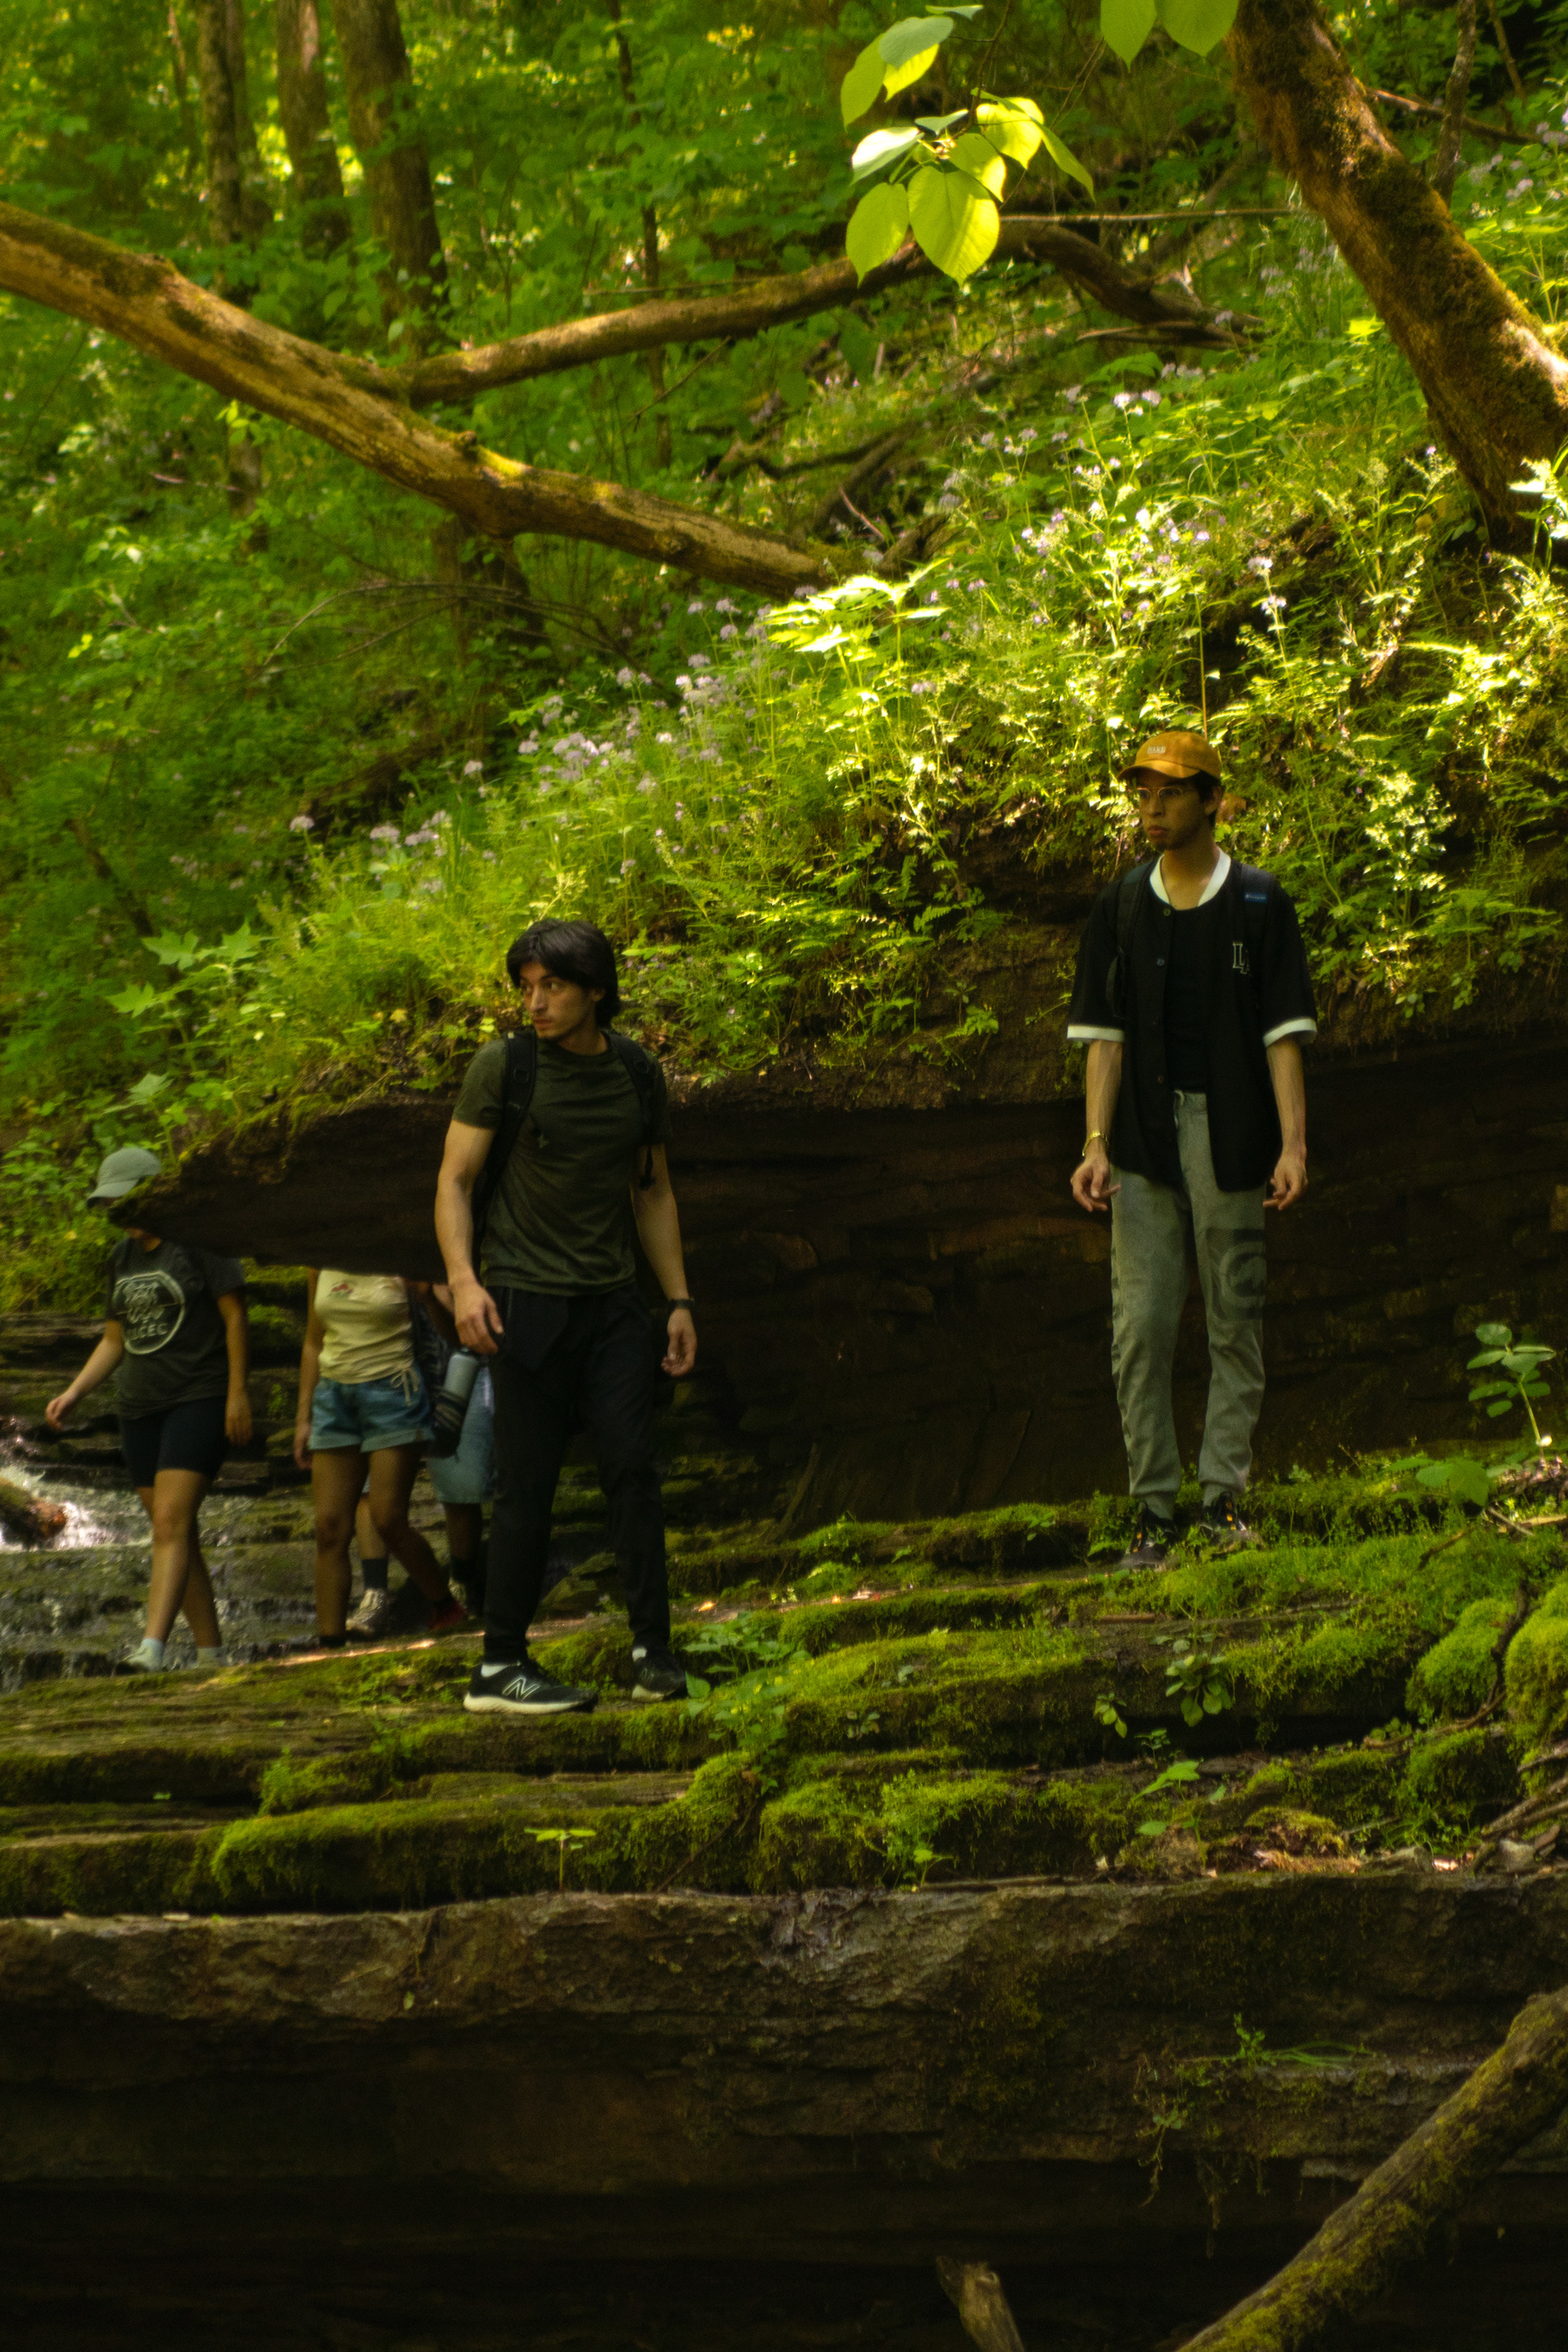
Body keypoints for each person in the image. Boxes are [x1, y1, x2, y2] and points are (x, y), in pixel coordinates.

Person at [1066, 730, 1316, 1568]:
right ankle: (1153, 1511)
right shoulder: (1120, 907)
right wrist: (1095, 1144)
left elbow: (1283, 1035)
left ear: (1213, 800)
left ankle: (1222, 1501)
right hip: (1141, 1142)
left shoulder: (1258, 901)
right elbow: (1103, 1039)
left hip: (1232, 1139)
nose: (1152, 808)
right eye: (1143, 793)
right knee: (1139, 1328)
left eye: (1170, 792)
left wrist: (1293, 1146)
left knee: (1234, 1318)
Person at [434, 917, 697, 1716]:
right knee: (528, 1484)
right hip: (524, 1298)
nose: (536, 1003)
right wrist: (465, 1282)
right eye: (527, 988)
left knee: (632, 1469)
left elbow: (652, 1189)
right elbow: (454, 1181)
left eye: (551, 986)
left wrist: (678, 1300)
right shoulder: (506, 1067)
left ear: (595, 991)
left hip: (613, 1301)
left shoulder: (636, 1073)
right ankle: (500, 1665)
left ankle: (653, 1653)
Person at [47, 1146, 251, 1671]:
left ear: (153, 1191)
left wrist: (237, 1392)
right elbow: (114, 1339)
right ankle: (211, 1654)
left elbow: (234, 1316)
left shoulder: (199, 1242)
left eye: (124, 1198)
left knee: (169, 1521)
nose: (117, 1210)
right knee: (175, 1531)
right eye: (109, 1202)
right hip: (138, 1408)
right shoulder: (122, 1258)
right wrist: (75, 1393)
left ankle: (151, 1648)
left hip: (197, 1397)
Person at [292, 1269, 466, 1646]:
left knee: (388, 1518)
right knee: (329, 1529)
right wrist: (304, 1416)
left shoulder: (397, 1255)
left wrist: (427, 1295)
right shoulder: (318, 1260)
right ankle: (330, 1648)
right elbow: (313, 1341)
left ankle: (445, 1606)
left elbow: (452, 1337)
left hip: (394, 1393)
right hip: (333, 1399)